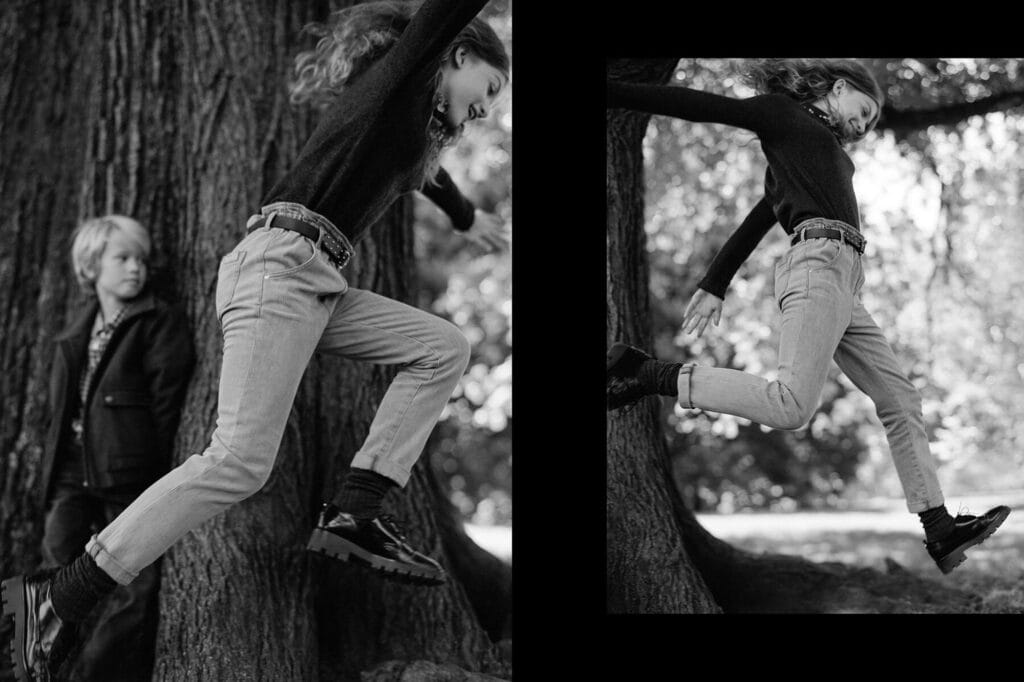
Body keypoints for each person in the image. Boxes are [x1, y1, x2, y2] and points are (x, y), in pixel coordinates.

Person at [2, 1, 509, 679]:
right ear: (454, 53)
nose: (489, 110)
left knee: (442, 347)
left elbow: (430, 175)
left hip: (317, 283)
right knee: (238, 460)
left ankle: (356, 512)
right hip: (280, 267)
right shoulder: (402, 76)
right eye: (492, 89)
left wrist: (465, 214)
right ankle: (57, 597)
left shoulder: (396, 125)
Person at [605, 58, 1009, 576]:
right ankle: (647, 374)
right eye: (863, 111)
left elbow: (759, 216)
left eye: (869, 123)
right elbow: (700, 106)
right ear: (839, 89)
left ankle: (939, 527)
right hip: (816, 264)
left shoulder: (824, 157)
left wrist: (714, 282)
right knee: (791, 405)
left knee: (900, 399)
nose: (863, 126)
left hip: (846, 281)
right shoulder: (782, 116)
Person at [37, 215, 195, 681]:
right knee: (55, 565)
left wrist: (160, 472)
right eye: (122, 258)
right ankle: (40, 663)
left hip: (131, 476)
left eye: (141, 260)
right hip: (73, 473)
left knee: (135, 585)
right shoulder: (76, 331)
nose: (135, 269)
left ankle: (94, 672)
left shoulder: (156, 322)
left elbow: (168, 405)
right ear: (91, 267)